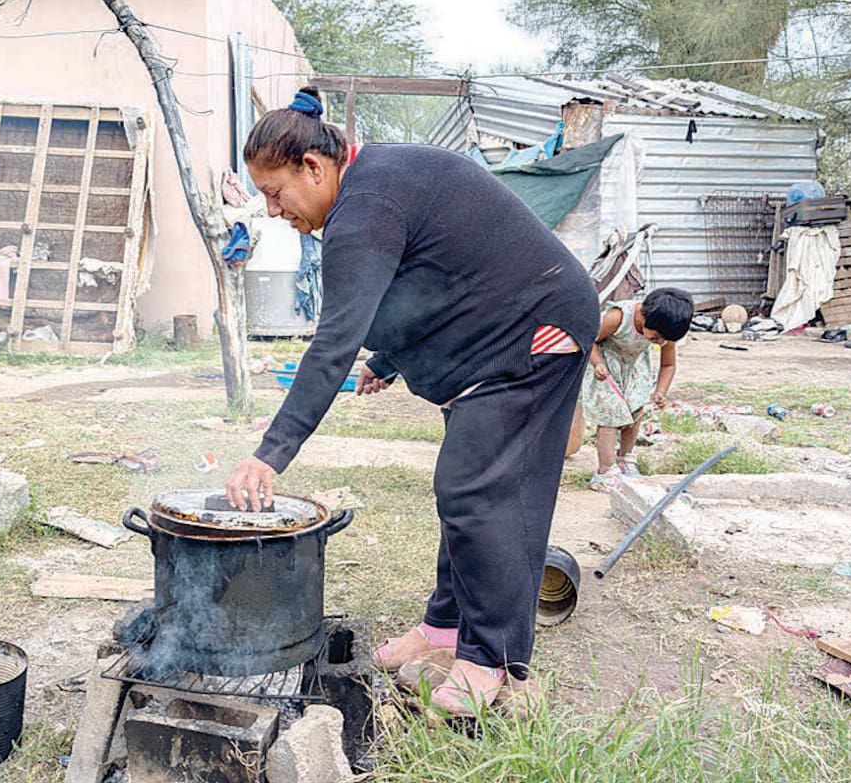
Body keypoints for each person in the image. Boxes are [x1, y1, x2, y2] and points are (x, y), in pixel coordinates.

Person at [224, 88, 599, 716]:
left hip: (536, 332)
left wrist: (271, 455)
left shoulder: (363, 206)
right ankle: (443, 631)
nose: (272, 209)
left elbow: (333, 339)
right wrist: (388, 361)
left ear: (313, 168)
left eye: (275, 192)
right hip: (496, 334)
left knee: (486, 492)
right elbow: (436, 274)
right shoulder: (373, 182)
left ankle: (493, 659)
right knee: (462, 489)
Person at [580, 288, 694, 491]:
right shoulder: (618, 317)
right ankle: (604, 471)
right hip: (604, 367)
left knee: (636, 411)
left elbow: (668, 365)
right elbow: (588, 340)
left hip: (634, 367)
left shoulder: (664, 332)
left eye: (663, 340)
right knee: (610, 415)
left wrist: (661, 391)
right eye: (656, 337)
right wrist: (597, 363)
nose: (660, 342)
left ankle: (624, 458)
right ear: (643, 315)